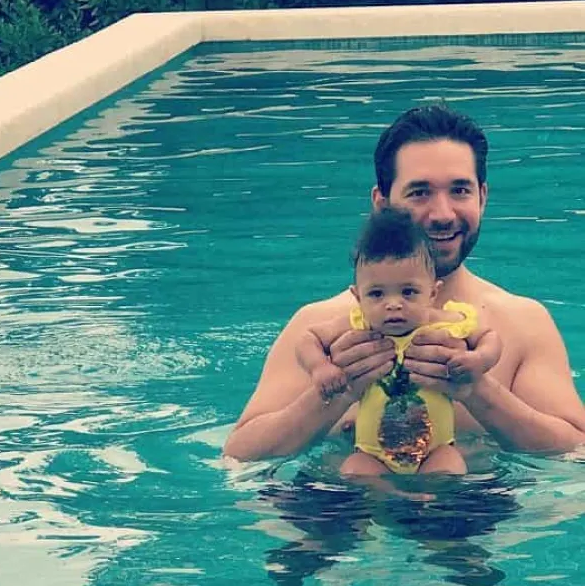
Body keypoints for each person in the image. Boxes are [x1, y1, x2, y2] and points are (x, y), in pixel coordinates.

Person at [223, 103, 585, 462]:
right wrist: (336, 392)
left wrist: (478, 393)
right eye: (419, 193)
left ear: (483, 197)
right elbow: (239, 456)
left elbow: (576, 449)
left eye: (460, 190)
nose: (443, 214)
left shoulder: (523, 324)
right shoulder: (321, 330)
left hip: (474, 496)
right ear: (381, 205)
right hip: (341, 494)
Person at [297, 205, 501, 476]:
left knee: (450, 469)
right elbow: (308, 339)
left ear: (432, 293)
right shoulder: (358, 323)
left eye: (408, 292)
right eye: (376, 294)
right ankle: (389, 495)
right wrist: (320, 368)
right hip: (370, 454)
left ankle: (426, 498)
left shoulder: (445, 322)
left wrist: (479, 360)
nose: (393, 304)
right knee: (354, 471)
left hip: (436, 450)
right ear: (357, 297)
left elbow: (489, 337)